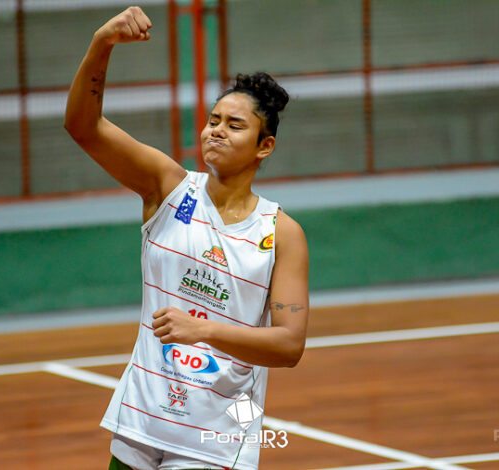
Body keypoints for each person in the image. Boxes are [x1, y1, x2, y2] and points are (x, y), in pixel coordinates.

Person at [64, 6, 309, 470]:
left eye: (234, 125)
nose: (217, 131)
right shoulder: (169, 188)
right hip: (139, 423)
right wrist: (102, 42)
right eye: (214, 120)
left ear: (265, 146)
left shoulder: (281, 233)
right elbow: (83, 127)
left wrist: (204, 330)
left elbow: (289, 345)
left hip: (214, 441)